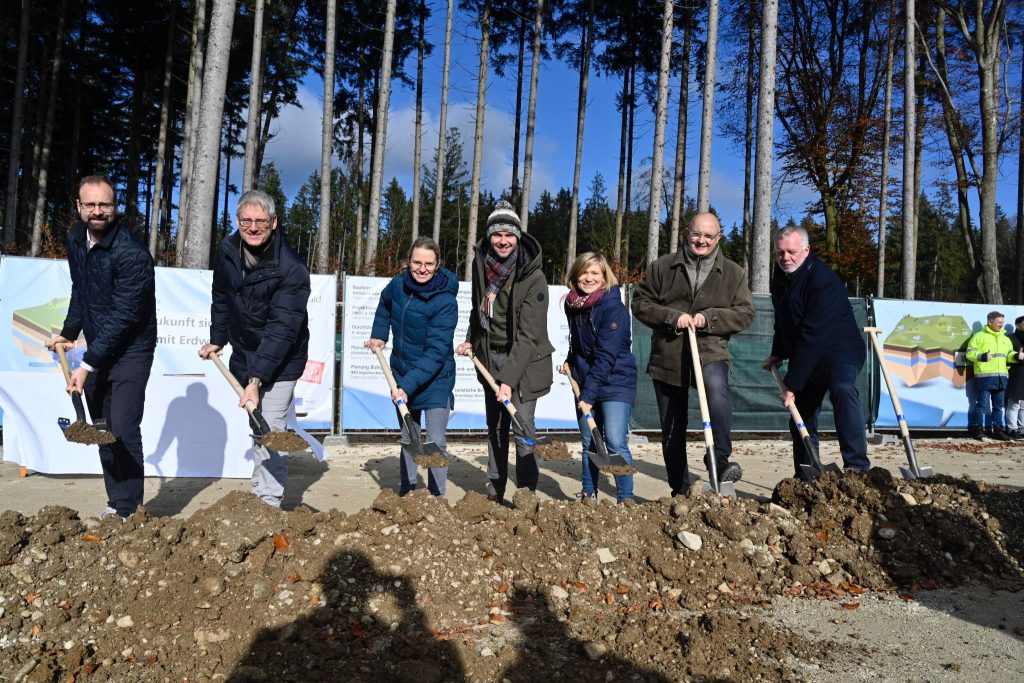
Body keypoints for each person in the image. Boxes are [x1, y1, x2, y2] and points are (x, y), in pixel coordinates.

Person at [46, 176, 157, 519]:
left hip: (131, 350)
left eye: (104, 205)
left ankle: (129, 509)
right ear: (79, 207)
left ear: (115, 207)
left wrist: (87, 364)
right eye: (90, 205)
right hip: (98, 347)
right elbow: (81, 291)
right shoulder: (76, 239)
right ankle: (116, 502)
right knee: (102, 426)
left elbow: (124, 317)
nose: (97, 211)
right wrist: (68, 333)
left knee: (122, 428)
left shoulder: (132, 254)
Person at [199, 189, 310, 507]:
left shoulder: (291, 268)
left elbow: (282, 330)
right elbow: (221, 295)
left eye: (260, 221)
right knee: (258, 425)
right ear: (238, 221)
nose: (253, 227)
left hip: (283, 358)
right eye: (246, 220)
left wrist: (256, 380)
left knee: (271, 428)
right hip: (246, 353)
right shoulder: (228, 249)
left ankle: (268, 503)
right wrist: (218, 338)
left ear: (273, 223)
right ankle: (262, 491)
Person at [632, 212, 754, 497]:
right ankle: (680, 486)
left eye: (709, 236)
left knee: (717, 390)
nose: (702, 241)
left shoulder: (734, 273)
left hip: (710, 349)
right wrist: (673, 317)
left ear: (718, 238)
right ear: (687, 233)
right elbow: (640, 303)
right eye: (697, 235)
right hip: (669, 353)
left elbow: (745, 313)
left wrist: (709, 318)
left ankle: (719, 459)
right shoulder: (662, 267)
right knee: (672, 426)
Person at [456, 200, 554, 504]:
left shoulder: (532, 275)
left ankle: (527, 493)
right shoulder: (480, 264)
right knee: (495, 428)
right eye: (497, 233)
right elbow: (477, 307)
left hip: (524, 363)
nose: (503, 240)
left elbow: (529, 336)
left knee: (522, 428)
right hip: (490, 358)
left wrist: (508, 380)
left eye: (509, 234)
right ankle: (494, 490)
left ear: (518, 237)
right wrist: (472, 337)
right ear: (489, 236)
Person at [762, 225, 870, 479]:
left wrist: (792, 384)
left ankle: (856, 465)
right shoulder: (780, 276)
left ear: (807, 250)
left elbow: (813, 334)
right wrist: (778, 352)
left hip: (839, 348)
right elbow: (784, 319)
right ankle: (807, 473)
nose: (785, 258)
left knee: (842, 389)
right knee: (801, 411)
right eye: (780, 253)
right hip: (809, 351)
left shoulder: (824, 281)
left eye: (791, 252)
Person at [365, 237, 459, 496]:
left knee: (435, 441)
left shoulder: (446, 302)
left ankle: (437, 498)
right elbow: (385, 306)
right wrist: (379, 334)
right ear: (408, 262)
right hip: (402, 372)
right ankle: (407, 492)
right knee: (409, 438)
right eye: (416, 262)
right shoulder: (397, 286)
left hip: (436, 379)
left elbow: (436, 353)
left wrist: (405, 387)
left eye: (428, 264)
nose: (422, 268)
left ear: (438, 265)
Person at [559, 252, 636, 503]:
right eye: (584, 272)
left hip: (615, 382)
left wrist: (588, 395)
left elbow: (605, 357)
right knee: (589, 443)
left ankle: (625, 498)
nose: (588, 278)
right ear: (576, 275)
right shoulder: (572, 304)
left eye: (595, 273)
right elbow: (579, 342)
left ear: (604, 277)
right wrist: (570, 362)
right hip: (584, 381)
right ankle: (588, 492)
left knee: (614, 442)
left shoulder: (614, 308)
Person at [965, 311, 1021, 441]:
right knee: (982, 405)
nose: (1002, 325)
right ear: (990, 322)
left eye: (1002, 322)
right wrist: (981, 356)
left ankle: (998, 430)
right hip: (984, 377)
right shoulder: (978, 337)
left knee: (998, 406)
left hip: (1001, 377)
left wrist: (1016, 356)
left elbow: (1009, 355)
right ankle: (978, 430)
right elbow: (969, 354)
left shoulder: (1005, 339)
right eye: (999, 322)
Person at [1005, 316, 1024, 439]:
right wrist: (1018, 356)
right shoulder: (1009, 338)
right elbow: (1006, 356)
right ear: (1017, 325)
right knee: (1014, 404)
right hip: (1015, 375)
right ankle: (1012, 429)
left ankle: (1022, 428)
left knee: (1023, 405)